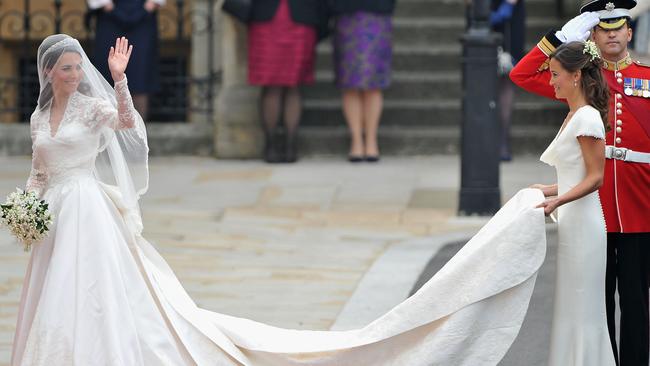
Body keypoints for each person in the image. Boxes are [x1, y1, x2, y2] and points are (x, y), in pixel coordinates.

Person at [11, 33, 550, 365]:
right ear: (49, 75)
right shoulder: (40, 117)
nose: (75, 75)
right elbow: (39, 168)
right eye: (67, 69)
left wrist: (120, 80)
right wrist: (25, 208)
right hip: (56, 212)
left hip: (91, 211)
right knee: (50, 286)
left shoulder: (90, 108)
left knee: (91, 287)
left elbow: (127, 125)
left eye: (79, 68)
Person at [510, 1, 650, 364]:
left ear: (629, 32)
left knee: (636, 303)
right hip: (595, 207)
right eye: (604, 28)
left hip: (639, 205)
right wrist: (556, 38)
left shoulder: (647, 77)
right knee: (596, 301)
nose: (613, 33)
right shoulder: (581, 80)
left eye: (619, 26)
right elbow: (522, 75)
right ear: (592, 34)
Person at [528, 41, 614, 365]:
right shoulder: (574, 115)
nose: (551, 82)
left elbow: (595, 178)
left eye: (555, 75)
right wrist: (549, 189)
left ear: (576, 75)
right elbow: (575, 174)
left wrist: (557, 199)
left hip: (586, 228)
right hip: (573, 224)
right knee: (570, 306)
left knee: (583, 308)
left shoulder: (588, 118)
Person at [247, 0, 327, 163]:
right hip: (268, 20)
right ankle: (273, 145)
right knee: (272, 84)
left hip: (300, 19)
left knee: (293, 83)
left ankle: (288, 145)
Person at [330, 0, 395, 162]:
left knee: (373, 82)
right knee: (349, 82)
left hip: (377, 15)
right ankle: (356, 141)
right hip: (347, 16)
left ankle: (371, 140)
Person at [88, 0, 164, 121]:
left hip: (143, 21)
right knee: (107, 74)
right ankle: (108, 132)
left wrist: (149, 6)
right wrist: (107, 6)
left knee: (140, 77)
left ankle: (137, 131)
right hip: (109, 20)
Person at [490, 0, 525, 161]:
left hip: (510, 22)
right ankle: (489, 141)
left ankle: (502, 142)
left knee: (506, 85)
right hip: (482, 13)